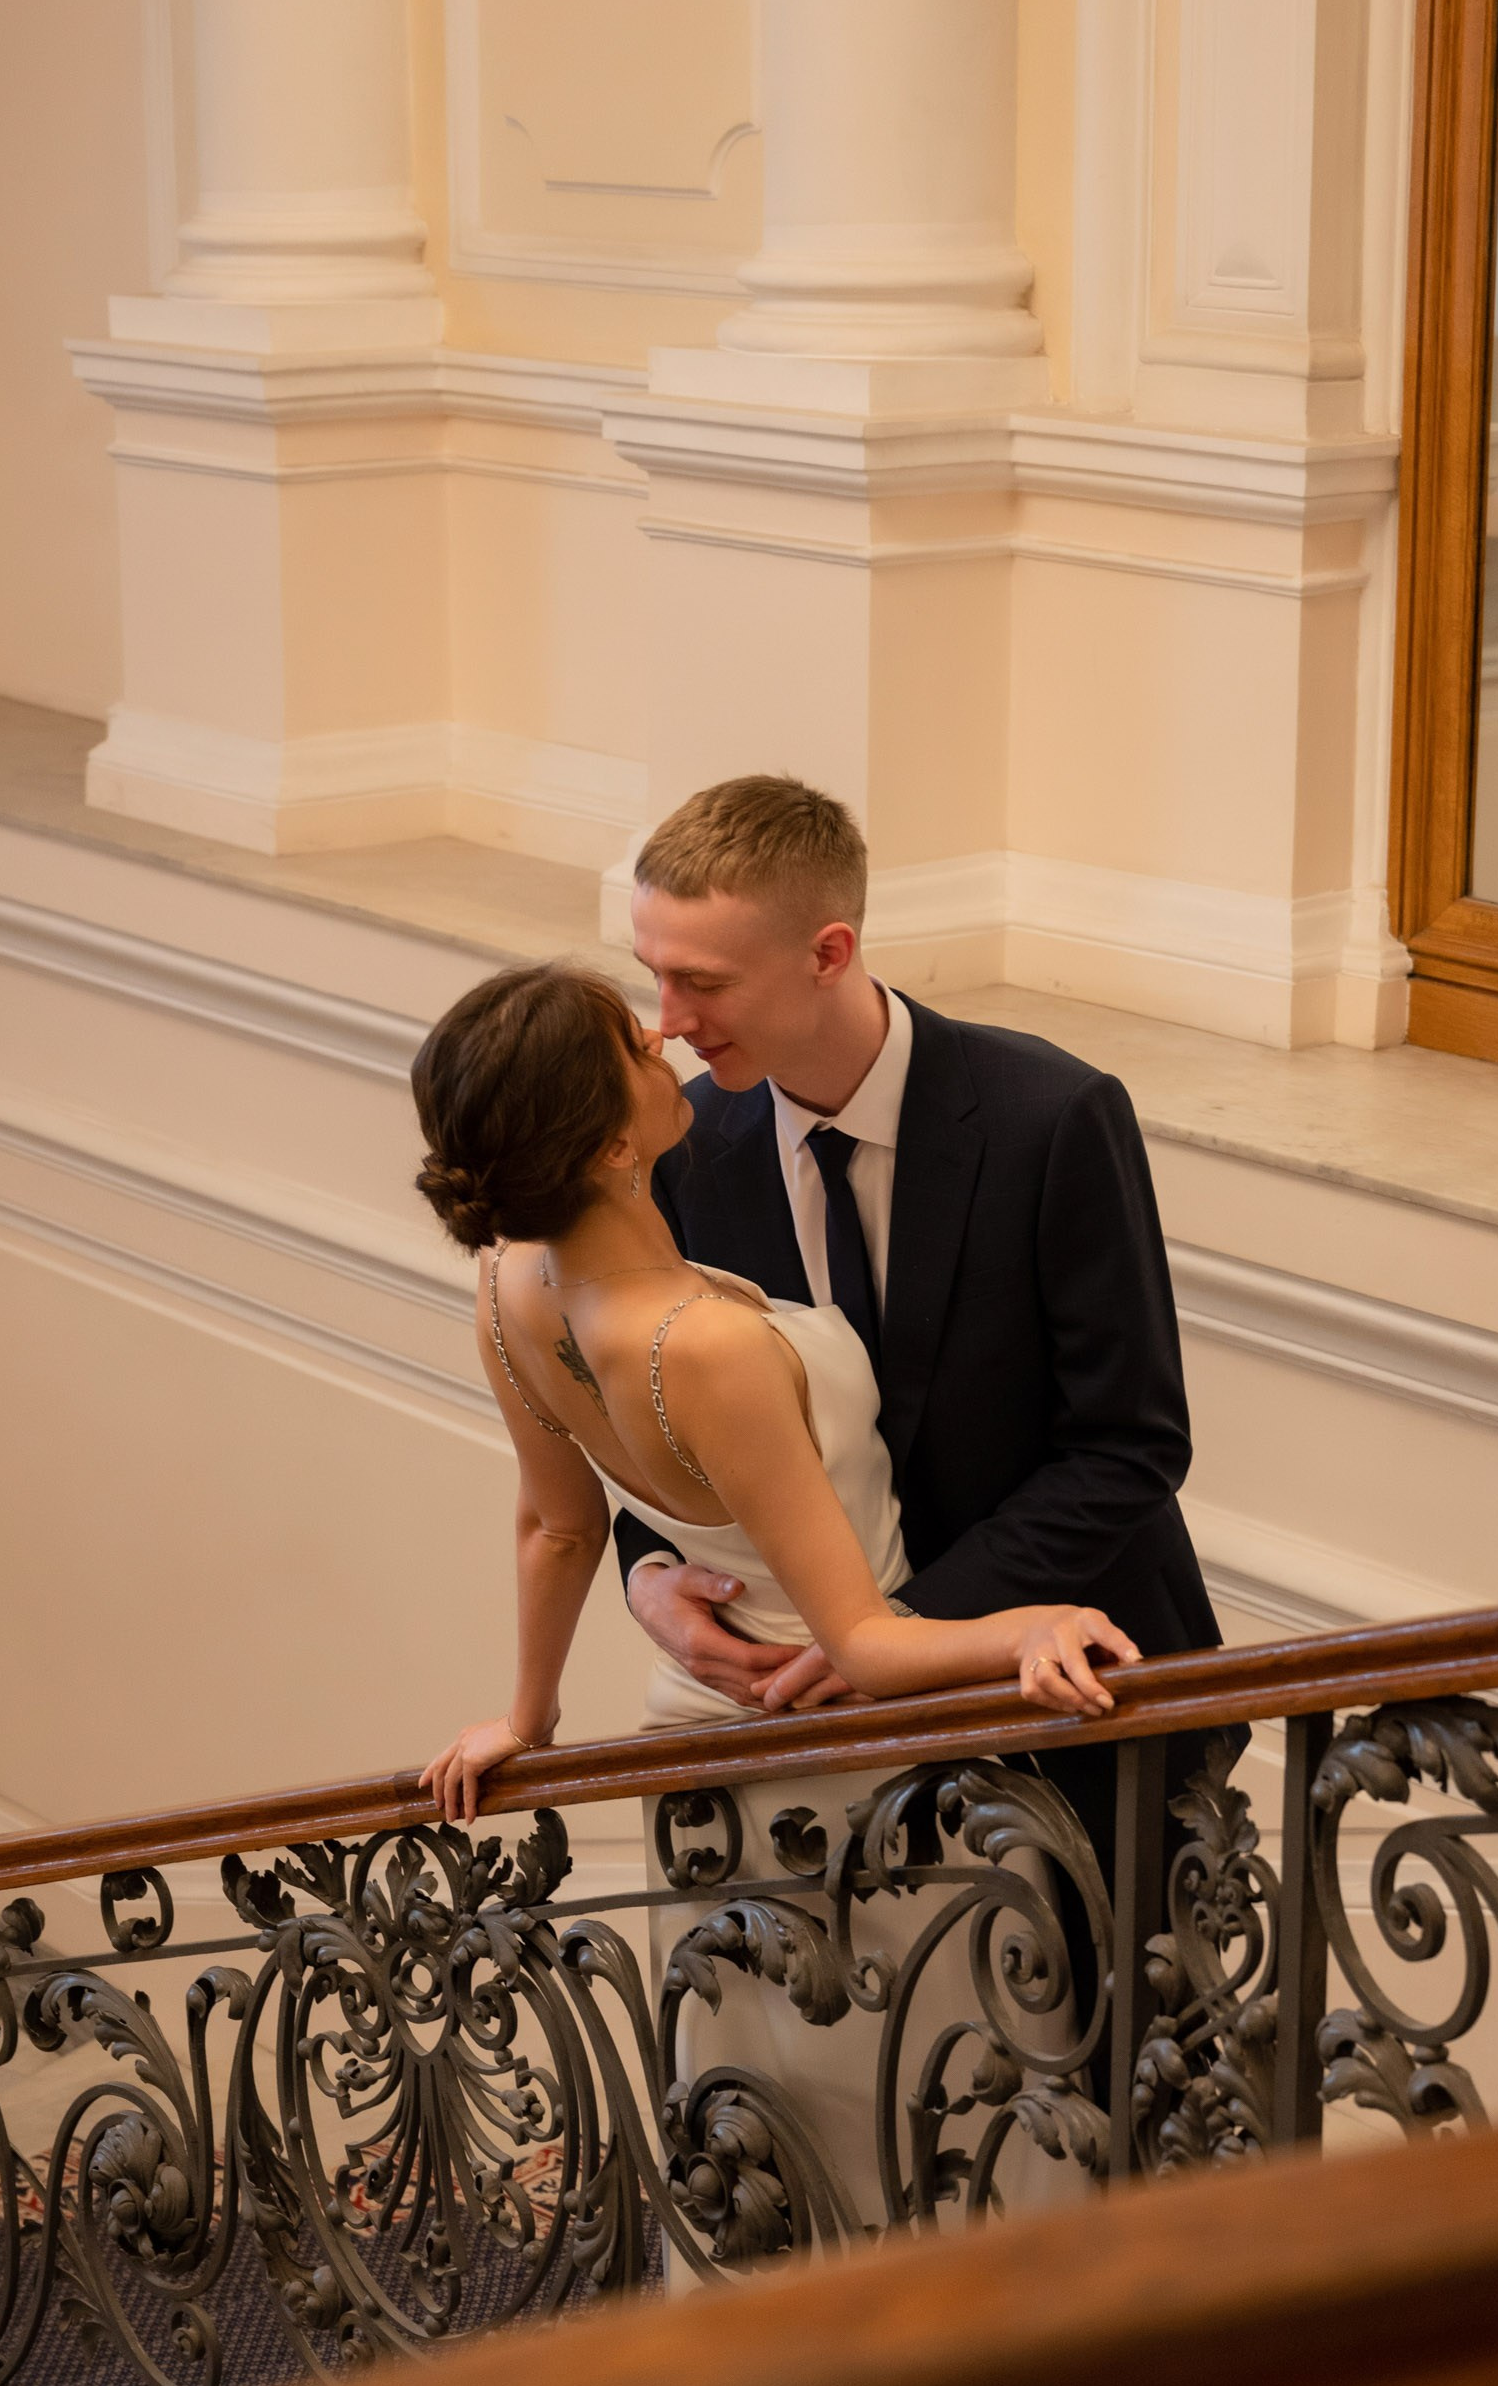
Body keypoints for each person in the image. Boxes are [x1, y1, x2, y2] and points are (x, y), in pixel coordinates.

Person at [613, 775, 1239, 1963]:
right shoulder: (683, 1150)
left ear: (827, 951)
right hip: (812, 1737)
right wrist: (647, 1572)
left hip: (1075, 1713)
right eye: (652, 970)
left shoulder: (1050, 1115)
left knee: (1133, 2086)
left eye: (700, 980)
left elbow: (1129, 1443)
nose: (663, 1017)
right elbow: (651, 1399)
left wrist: (895, 1631)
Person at [410, 960, 1140, 1826]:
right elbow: (863, 1645)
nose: (660, 1033)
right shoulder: (711, 1346)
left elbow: (560, 1527)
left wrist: (528, 1723)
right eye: (629, 1045)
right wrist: (1027, 1627)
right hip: (848, 1762)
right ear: (610, 1148)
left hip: (692, 1732)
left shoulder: (506, 1284)